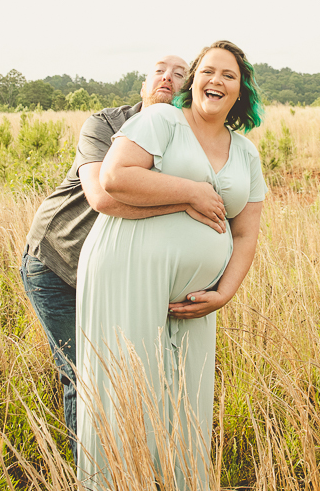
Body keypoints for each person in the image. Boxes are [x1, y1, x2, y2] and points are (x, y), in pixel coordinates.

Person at [76, 40, 266, 490]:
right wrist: (190, 192)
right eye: (207, 72)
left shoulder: (246, 153)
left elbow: (245, 233)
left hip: (195, 299)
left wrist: (225, 293)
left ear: (241, 93)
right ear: (194, 81)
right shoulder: (161, 120)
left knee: (186, 402)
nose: (215, 80)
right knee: (128, 392)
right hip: (127, 272)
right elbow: (114, 178)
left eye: (228, 76)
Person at [20, 53, 223, 461]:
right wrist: (186, 200)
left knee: (133, 375)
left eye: (180, 74)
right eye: (159, 70)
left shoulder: (187, 137)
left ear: (189, 89)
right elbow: (102, 197)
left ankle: (135, 467)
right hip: (61, 264)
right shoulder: (106, 124)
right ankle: (94, 476)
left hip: (119, 278)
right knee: (86, 376)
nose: (168, 77)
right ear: (144, 82)